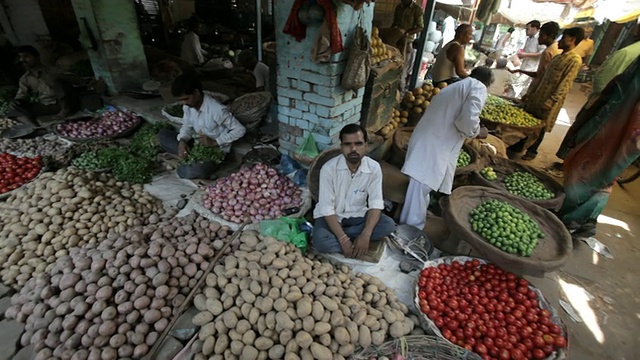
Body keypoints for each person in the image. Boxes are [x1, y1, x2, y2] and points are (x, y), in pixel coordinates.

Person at [400, 67, 494, 230]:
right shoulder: (478, 87)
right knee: (419, 188)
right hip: (432, 144)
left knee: (422, 186)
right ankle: (409, 230)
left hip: (431, 141)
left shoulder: (458, 86)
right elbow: (467, 121)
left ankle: (415, 220)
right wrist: (479, 132)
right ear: (487, 83)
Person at [559, 57, 640, 238]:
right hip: (625, 143)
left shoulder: (628, 80)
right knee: (605, 177)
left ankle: (571, 219)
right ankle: (585, 220)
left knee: (583, 172)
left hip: (606, 135)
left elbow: (602, 102)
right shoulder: (626, 79)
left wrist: (579, 129)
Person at [312, 124, 396, 258]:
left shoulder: (374, 168)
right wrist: (343, 239)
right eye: (348, 144)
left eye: (358, 144)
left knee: (389, 225)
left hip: (358, 216)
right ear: (341, 147)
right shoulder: (329, 169)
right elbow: (326, 208)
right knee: (321, 243)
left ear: (366, 146)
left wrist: (366, 234)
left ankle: (356, 239)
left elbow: (376, 203)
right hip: (334, 217)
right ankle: (350, 239)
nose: (353, 149)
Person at [555, 36, 640, 164]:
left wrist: (600, 100)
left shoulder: (627, 53)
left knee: (581, 134)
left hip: (605, 105)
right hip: (625, 114)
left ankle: (568, 164)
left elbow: (602, 79)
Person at [513, 27, 584, 161]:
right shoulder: (557, 57)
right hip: (539, 96)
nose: (559, 41)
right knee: (529, 122)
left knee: (540, 127)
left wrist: (551, 101)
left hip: (549, 101)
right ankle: (519, 146)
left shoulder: (574, 60)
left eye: (563, 38)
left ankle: (532, 151)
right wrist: (531, 93)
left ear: (572, 39)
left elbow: (565, 84)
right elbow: (544, 77)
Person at [158, 73, 245, 157]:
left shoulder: (216, 110)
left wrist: (216, 142)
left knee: (189, 172)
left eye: (186, 99)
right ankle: (185, 156)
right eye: (181, 100)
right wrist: (182, 141)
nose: (184, 103)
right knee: (163, 135)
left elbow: (240, 130)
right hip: (197, 144)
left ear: (196, 92)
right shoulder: (187, 107)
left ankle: (182, 158)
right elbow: (187, 125)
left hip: (214, 150)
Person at [9, 45, 75, 126]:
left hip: (61, 104)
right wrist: (17, 101)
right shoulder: (25, 78)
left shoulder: (52, 70)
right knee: (12, 110)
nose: (22, 60)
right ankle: (35, 127)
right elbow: (22, 95)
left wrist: (58, 77)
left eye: (26, 56)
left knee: (57, 80)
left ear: (37, 57)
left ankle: (66, 110)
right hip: (45, 105)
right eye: (20, 57)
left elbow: (76, 79)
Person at [510, 22, 562, 97]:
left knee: (517, 85)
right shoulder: (530, 39)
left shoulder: (549, 51)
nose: (539, 38)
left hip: (534, 71)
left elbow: (541, 75)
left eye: (541, 35)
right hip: (528, 68)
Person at [512, 20, 546, 97]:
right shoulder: (529, 38)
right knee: (523, 88)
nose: (526, 31)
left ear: (534, 29)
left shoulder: (539, 39)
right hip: (524, 66)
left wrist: (525, 54)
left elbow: (542, 53)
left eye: (528, 29)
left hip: (531, 68)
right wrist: (521, 56)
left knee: (517, 84)